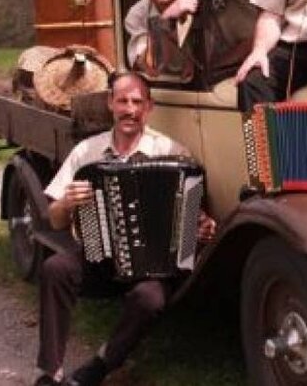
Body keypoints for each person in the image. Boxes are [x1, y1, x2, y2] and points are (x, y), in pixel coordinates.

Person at [33, 72, 216, 386]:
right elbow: (55, 220)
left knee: (150, 299)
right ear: (110, 104)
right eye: (122, 101)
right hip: (100, 259)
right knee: (55, 269)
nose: (130, 109)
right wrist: (66, 202)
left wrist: (201, 228)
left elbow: (194, 217)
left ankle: (101, 365)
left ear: (149, 107)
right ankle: (50, 371)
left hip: (152, 269)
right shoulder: (87, 152)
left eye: (137, 102)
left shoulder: (173, 152)